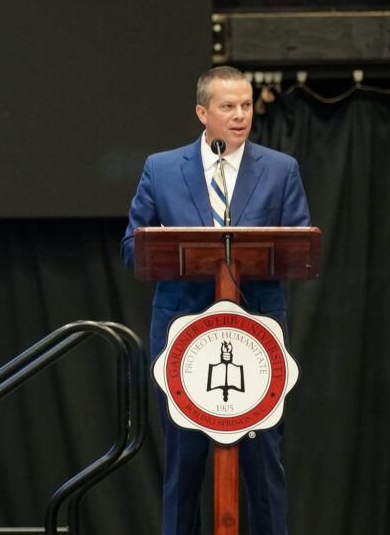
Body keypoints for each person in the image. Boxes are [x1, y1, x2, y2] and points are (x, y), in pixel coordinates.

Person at [120, 66, 310, 535]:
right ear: (203, 113)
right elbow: (132, 248)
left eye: (246, 105)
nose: (240, 116)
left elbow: (299, 247)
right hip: (185, 333)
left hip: (255, 335)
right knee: (183, 465)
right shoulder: (161, 169)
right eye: (228, 107)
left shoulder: (281, 169)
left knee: (263, 462)